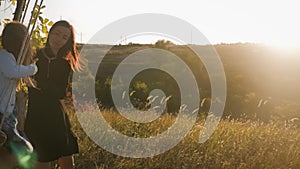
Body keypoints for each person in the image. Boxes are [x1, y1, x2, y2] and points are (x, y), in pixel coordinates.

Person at [24, 20, 80, 169]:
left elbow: (58, 92)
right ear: (50, 33)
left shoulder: (64, 64)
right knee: (42, 158)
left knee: (66, 158)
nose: (59, 39)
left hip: (56, 114)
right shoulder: (34, 55)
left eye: (64, 37)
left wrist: (35, 85)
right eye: (56, 33)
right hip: (36, 114)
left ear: (68, 41)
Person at [0, 21, 38, 168]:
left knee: (18, 146)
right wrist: (32, 68)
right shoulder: (4, 55)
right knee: (25, 149)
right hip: (2, 112)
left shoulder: (9, 58)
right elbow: (12, 72)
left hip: (8, 112)